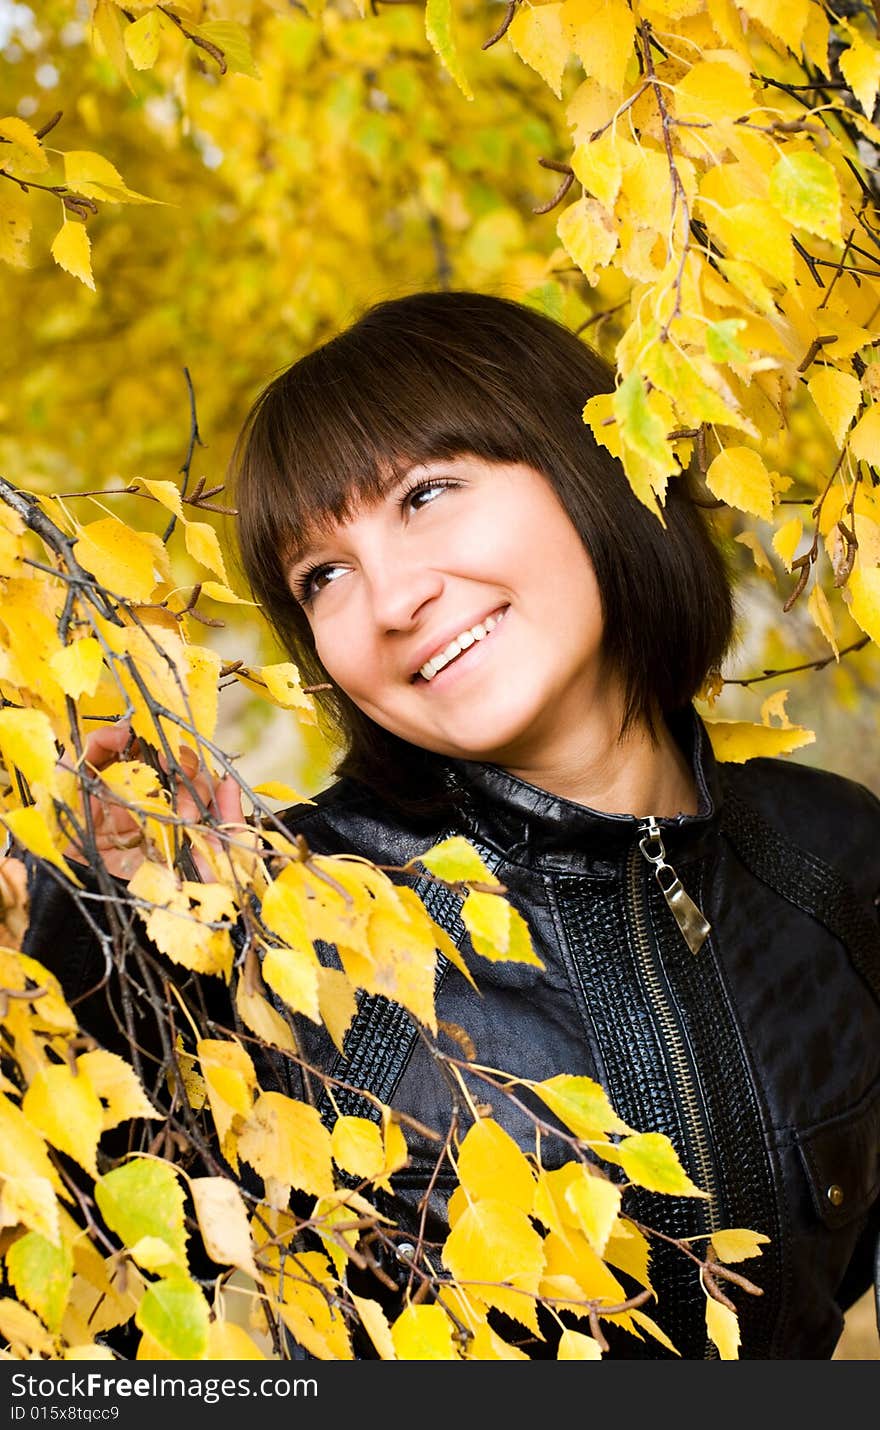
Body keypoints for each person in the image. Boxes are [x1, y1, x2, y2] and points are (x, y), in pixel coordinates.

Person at [21, 290, 880, 1361]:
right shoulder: (293, 928)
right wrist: (87, 914)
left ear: (590, 468)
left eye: (426, 495)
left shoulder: (836, 861)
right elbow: (82, 1291)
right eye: (322, 575)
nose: (388, 599)